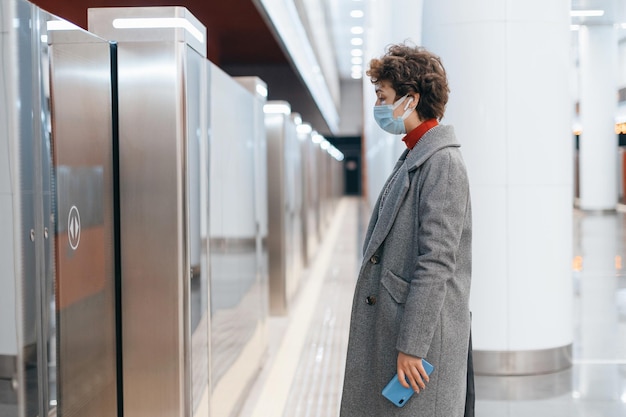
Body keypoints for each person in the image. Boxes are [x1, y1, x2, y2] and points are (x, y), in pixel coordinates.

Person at [339, 43, 473, 416]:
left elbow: (437, 262)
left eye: (383, 96)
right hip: (397, 328)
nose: (379, 106)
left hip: (417, 345)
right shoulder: (416, 155)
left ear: (410, 101)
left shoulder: (443, 163)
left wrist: (413, 345)